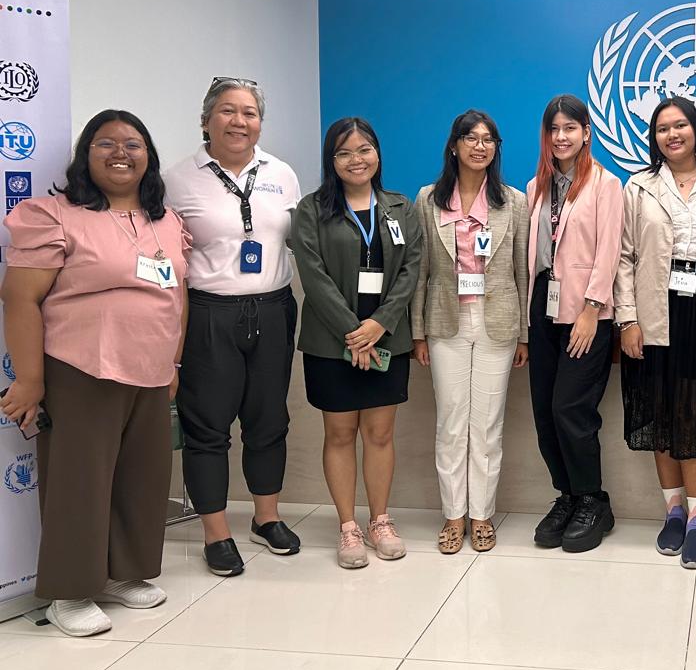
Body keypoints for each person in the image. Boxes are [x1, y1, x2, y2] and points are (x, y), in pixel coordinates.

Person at [1, 110, 189, 636]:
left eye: (132, 143)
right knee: (78, 482)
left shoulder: (167, 221)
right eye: (105, 144)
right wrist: (31, 379)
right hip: (80, 367)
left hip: (150, 370)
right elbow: (19, 297)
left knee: (142, 479)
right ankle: (69, 590)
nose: (120, 153)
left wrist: (173, 361)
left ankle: (126, 573)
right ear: (86, 155)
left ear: (148, 156)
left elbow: (178, 295)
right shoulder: (56, 215)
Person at [164, 77, 303, 577]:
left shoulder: (282, 174)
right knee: (208, 427)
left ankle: (266, 519)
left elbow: (294, 242)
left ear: (259, 123)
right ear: (206, 120)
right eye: (227, 111)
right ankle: (217, 533)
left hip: (273, 309)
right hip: (209, 313)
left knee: (269, 421)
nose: (239, 121)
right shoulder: (177, 179)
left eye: (249, 113)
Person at [615, 96, 696, 570]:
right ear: (655, 138)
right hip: (654, 310)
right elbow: (624, 257)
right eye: (663, 128)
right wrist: (627, 318)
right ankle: (672, 509)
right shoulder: (639, 187)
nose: (672, 135)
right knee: (660, 409)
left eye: (681, 125)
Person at [292, 117, 422, 568]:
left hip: (388, 338)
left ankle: (380, 520)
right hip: (332, 342)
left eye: (364, 149)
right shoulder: (311, 210)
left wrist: (379, 326)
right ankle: (348, 527)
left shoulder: (401, 208)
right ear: (332, 161)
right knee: (341, 433)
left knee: (381, 433)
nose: (356, 159)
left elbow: (411, 271)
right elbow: (313, 275)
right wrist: (354, 330)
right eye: (344, 152)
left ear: (378, 154)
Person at [411, 110, 528, 554]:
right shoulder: (428, 199)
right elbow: (420, 271)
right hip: (446, 323)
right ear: (454, 146)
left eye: (488, 140)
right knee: (451, 423)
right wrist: (418, 332)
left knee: (488, 426)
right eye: (470, 138)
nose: (479, 146)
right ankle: (453, 515)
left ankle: (481, 515)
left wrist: (524, 336)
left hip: (498, 321)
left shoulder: (512, 201)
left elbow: (521, 269)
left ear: (496, 149)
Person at [526, 94, 623, 553]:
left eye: (570, 128)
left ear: (586, 132)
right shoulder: (536, 187)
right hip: (542, 311)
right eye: (553, 130)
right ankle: (565, 495)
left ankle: (593, 501)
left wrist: (591, 309)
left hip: (586, 313)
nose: (561, 137)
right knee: (545, 412)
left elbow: (609, 251)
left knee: (571, 410)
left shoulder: (606, 184)